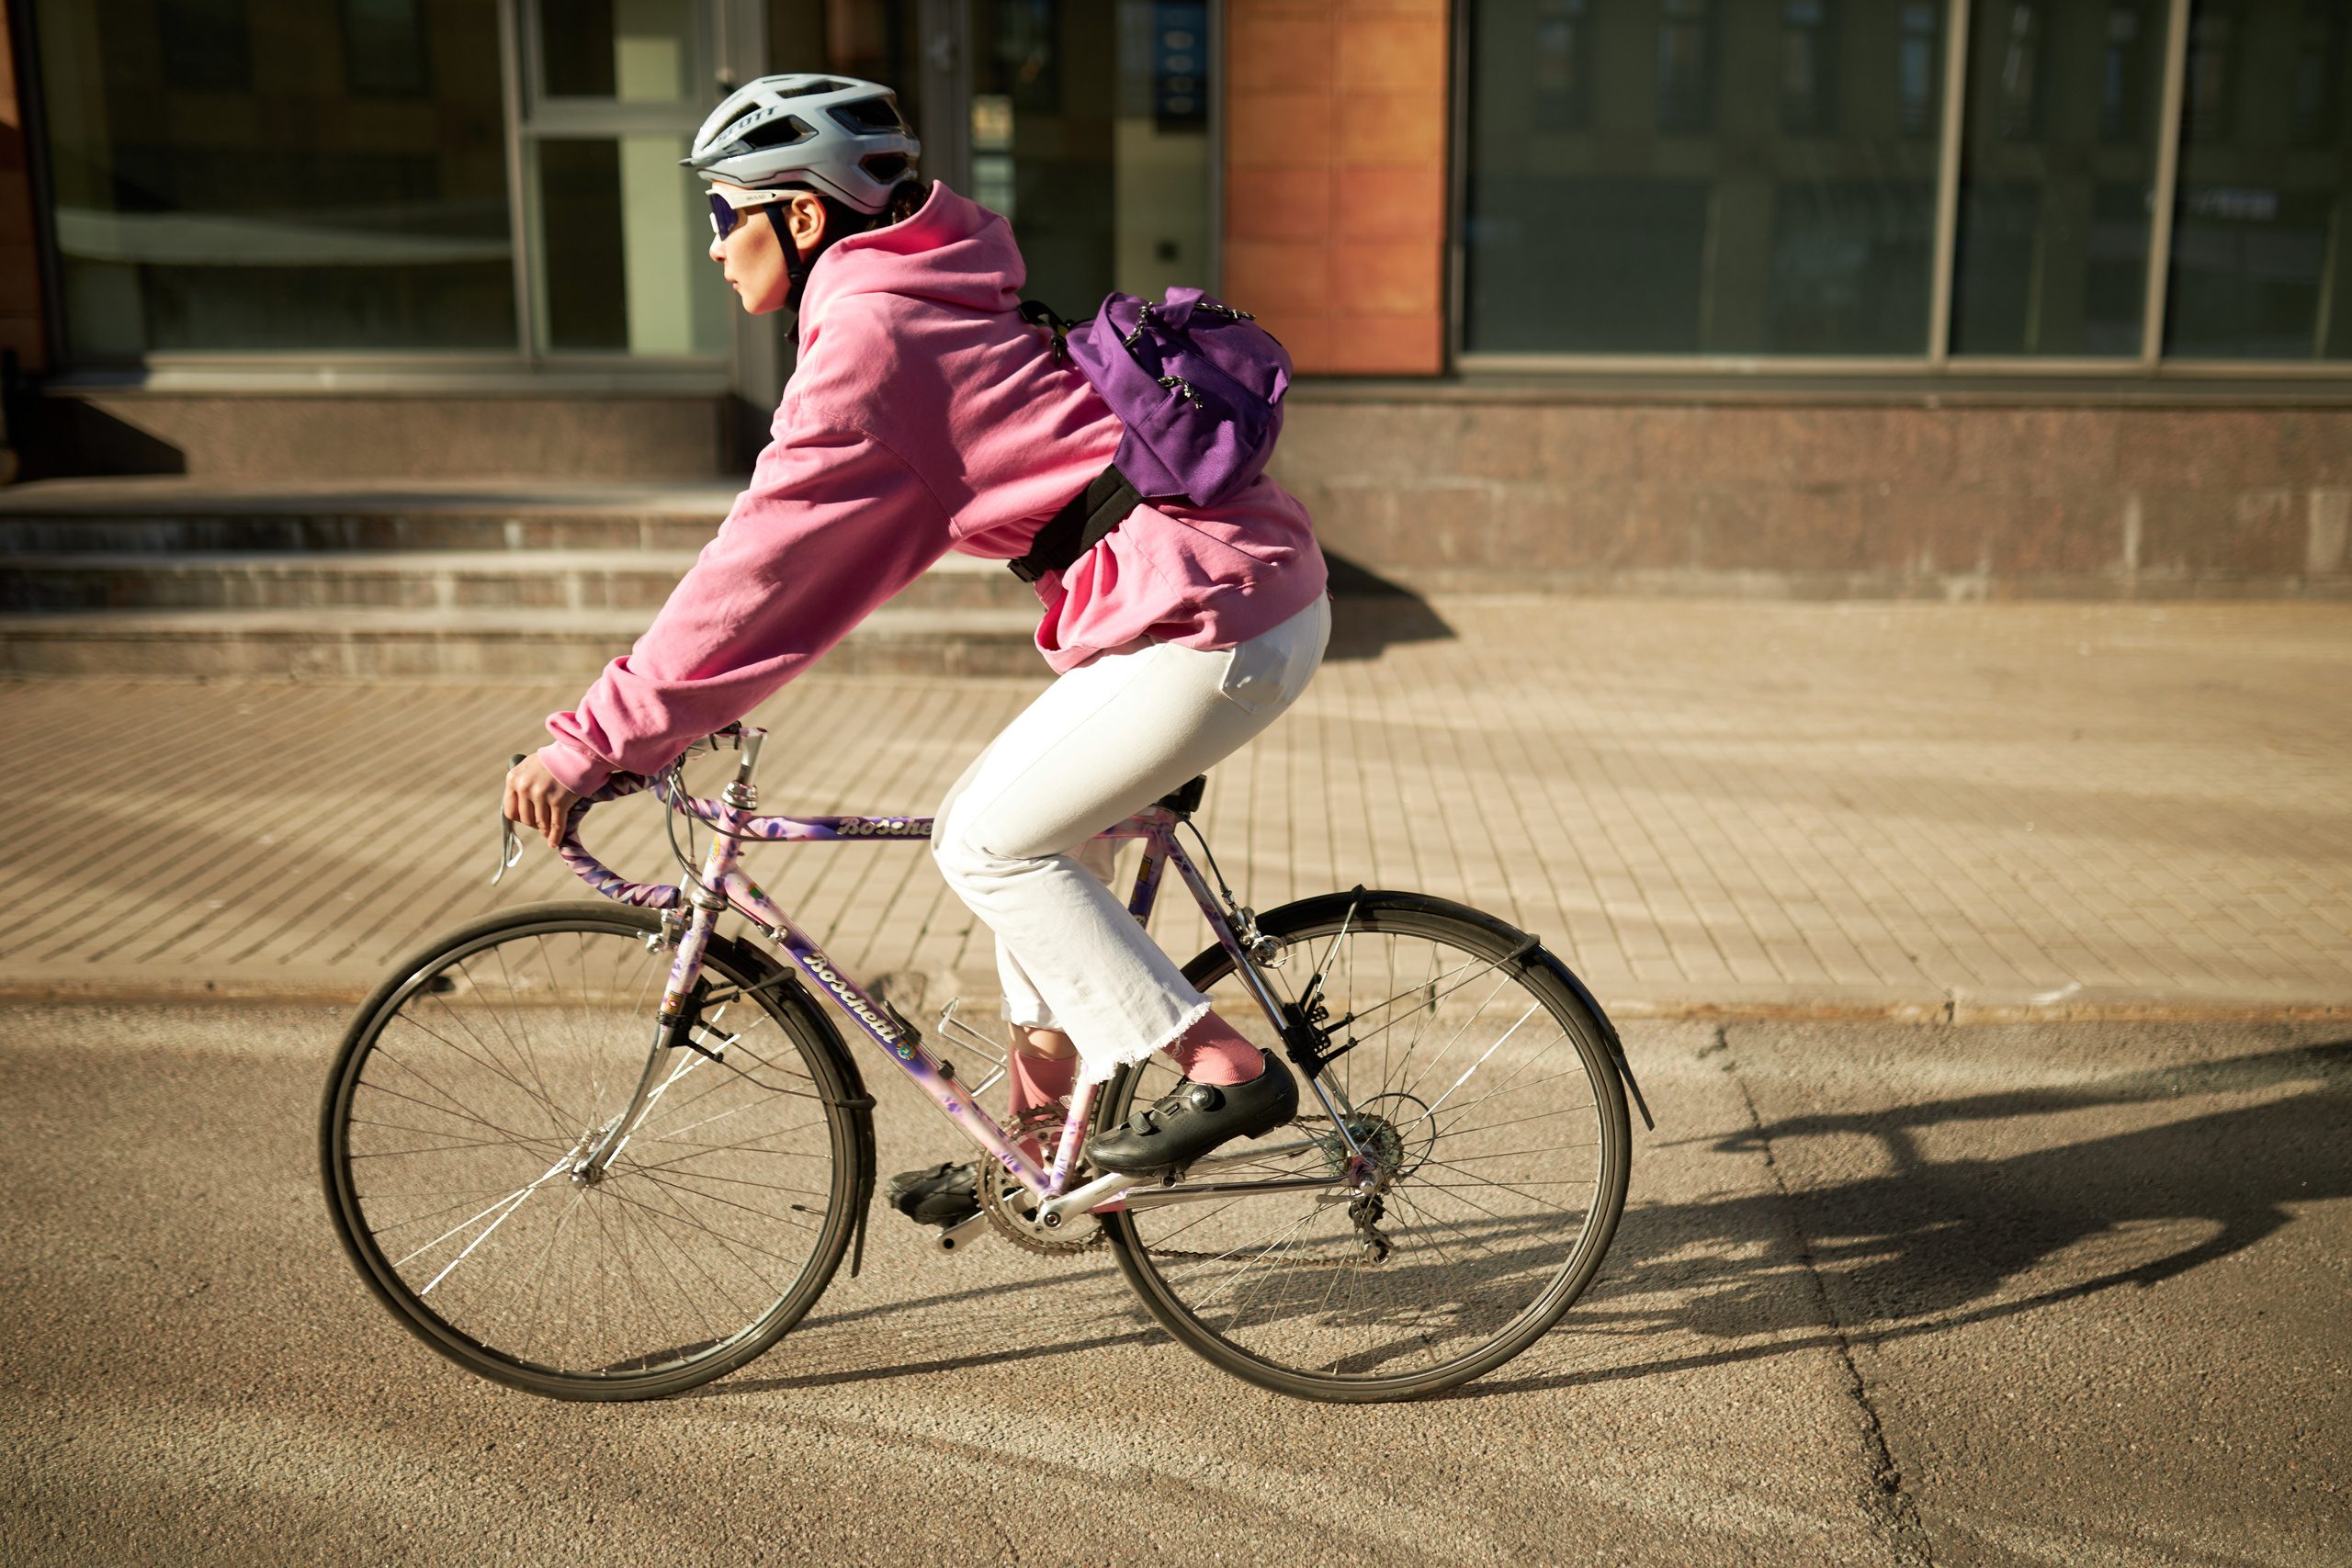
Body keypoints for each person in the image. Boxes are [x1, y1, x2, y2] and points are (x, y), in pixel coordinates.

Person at [500, 74, 1329, 1226]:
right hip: (1232, 598)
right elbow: (819, 572)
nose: (708, 245)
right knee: (1041, 873)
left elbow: (763, 568)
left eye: (722, 211)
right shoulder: (915, 293)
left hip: (1210, 618)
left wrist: (598, 738)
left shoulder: (871, 334)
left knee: (985, 842)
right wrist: (676, 706)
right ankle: (1041, 1149)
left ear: (799, 216)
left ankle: (1218, 1068)